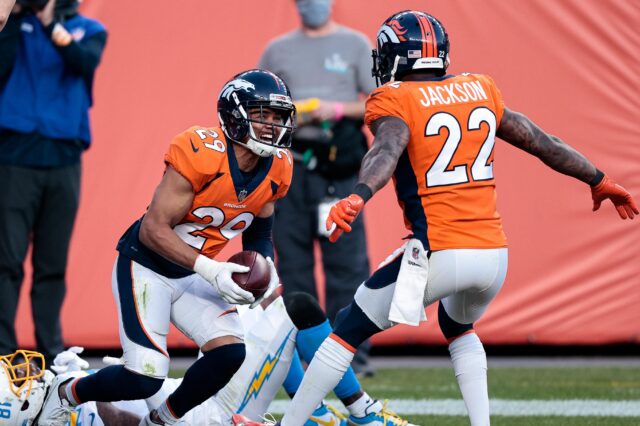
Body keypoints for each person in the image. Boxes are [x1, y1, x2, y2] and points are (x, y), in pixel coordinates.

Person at [234, 10, 639, 426]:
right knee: (458, 327)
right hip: (494, 256)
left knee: (344, 331)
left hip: (437, 252)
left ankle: (292, 423)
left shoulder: (395, 98)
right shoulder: (480, 88)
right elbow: (540, 141)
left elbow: (386, 150)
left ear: (395, 57)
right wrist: (598, 178)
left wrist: (358, 195)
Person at [37, 69, 297, 426]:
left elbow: (260, 232)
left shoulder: (279, 167)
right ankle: (67, 391)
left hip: (192, 271)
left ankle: (160, 420)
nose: (271, 125)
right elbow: (152, 229)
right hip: (147, 266)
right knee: (143, 377)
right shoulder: (202, 151)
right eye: (262, 114)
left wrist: (265, 270)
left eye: (278, 117)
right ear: (234, 115)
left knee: (230, 354)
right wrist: (213, 269)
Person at [0, 293, 412, 426]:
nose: (28, 374)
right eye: (19, 382)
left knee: (255, 313)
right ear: (16, 409)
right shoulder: (74, 416)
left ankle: (316, 413)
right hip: (216, 411)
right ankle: (364, 415)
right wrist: (90, 393)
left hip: (201, 398)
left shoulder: (59, 408)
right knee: (297, 310)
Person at [257, 0, 375, 374]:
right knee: (292, 261)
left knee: (347, 261)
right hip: (290, 166)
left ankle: (351, 350)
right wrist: (292, 112)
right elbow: (260, 106)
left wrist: (336, 109)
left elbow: (379, 102)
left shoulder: (355, 44)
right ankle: (299, 347)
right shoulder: (277, 49)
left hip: (337, 169)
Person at [0, 0, 107, 366]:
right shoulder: (12, 26)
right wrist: (12, 17)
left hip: (63, 162)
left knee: (52, 262)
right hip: (13, 160)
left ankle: (50, 350)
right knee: (6, 260)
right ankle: (2, 350)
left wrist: (48, 22)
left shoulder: (89, 29)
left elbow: (83, 62)